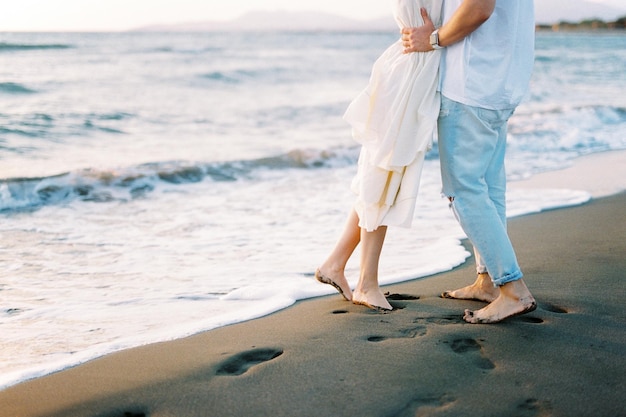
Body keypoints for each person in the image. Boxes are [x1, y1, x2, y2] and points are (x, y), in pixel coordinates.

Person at [400, 0, 537, 323]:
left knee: (463, 191)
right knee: (488, 188)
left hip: (471, 84)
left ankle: (512, 289)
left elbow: (479, 7)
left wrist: (432, 39)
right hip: (502, 82)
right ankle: (488, 281)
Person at [316, 0, 443, 311]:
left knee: (382, 177)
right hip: (408, 74)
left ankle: (336, 264)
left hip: (413, 72)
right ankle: (365, 282)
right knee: (382, 177)